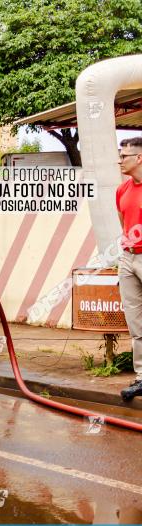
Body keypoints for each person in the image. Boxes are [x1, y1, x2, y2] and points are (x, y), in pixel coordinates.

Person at [116, 137, 142, 401]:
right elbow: (125, 224)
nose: (120, 160)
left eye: (124, 156)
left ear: (139, 158)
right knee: (136, 323)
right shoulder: (122, 190)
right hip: (128, 257)